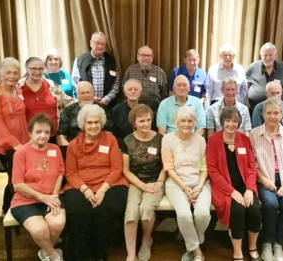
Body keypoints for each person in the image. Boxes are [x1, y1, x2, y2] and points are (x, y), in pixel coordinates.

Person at [63, 104, 128, 261]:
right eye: (89, 123)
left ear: (102, 123)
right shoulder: (73, 145)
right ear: (83, 124)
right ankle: (81, 254)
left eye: (96, 122)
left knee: (103, 211)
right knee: (79, 212)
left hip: (110, 183)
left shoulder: (110, 139)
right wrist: (85, 190)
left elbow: (116, 168)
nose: (93, 126)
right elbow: (71, 173)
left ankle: (99, 252)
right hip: (80, 185)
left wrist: (102, 190)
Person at [207, 107, 262, 261]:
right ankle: (237, 252)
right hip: (224, 188)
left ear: (239, 123)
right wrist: (232, 192)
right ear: (222, 122)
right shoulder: (213, 140)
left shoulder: (244, 139)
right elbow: (213, 171)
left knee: (254, 209)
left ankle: (252, 247)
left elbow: (251, 166)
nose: (231, 124)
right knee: (237, 210)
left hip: (245, 186)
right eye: (228, 120)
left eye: (235, 121)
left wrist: (250, 189)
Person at [249, 97, 283, 261]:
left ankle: (279, 244)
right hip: (264, 178)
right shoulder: (254, 134)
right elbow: (251, 162)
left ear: (282, 114)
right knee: (270, 204)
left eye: (276, 113)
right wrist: (263, 180)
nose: (273, 116)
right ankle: (267, 243)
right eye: (269, 113)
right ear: (263, 114)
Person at [10, 114, 65, 261]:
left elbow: (60, 173)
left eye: (47, 132)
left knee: (57, 224)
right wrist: (43, 198)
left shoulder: (55, 149)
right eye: (38, 132)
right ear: (30, 133)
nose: (43, 135)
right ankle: (53, 255)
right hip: (25, 200)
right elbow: (18, 184)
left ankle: (45, 251)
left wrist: (54, 195)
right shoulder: (21, 152)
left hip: (51, 196)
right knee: (39, 229)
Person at [161, 106, 211, 261]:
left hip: (199, 183)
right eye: (183, 120)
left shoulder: (201, 141)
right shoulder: (167, 139)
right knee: (184, 215)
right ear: (176, 121)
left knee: (202, 214)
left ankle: (191, 242)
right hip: (176, 184)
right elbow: (169, 168)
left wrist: (199, 186)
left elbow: (204, 168)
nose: (186, 124)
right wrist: (185, 188)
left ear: (194, 122)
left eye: (190, 121)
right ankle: (197, 251)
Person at [121, 104, 165, 261]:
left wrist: (159, 182)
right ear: (134, 123)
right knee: (131, 212)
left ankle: (146, 240)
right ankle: (131, 254)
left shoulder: (160, 139)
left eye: (148, 120)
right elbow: (125, 171)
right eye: (141, 121)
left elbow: (166, 166)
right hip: (135, 181)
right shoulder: (127, 141)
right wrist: (142, 185)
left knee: (146, 210)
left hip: (156, 182)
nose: (146, 124)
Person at [0, 58, 30, 214]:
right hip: (6, 143)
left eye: (15, 72)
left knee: (22, 175)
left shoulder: (19, 90)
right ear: (1, 74)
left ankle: (15, 207)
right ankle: (8, 209)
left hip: (23, 140)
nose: (12, 76)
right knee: (14, 177)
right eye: (8, 72)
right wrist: (14, 144)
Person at [17, 57, 74, 143]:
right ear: (26, 69)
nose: (37, 72)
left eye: (40, 69)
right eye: (33, 69)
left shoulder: (51, 85)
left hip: (53, 136)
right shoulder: (18, 87)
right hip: (30, 139)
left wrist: (88, 101)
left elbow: (68, 101)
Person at [71, 31, 120, 106]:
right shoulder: (80, 60)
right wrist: (90, 98)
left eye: (102, 44)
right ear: (91, 43)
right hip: (86, 105)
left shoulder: (111, 61)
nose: (100, 46)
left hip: (107, 105)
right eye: (97, 43)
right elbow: (75, 82)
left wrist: (107, 99)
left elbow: (116, 83)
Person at [57, 81, 113, 146]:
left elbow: (109, 134)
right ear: (77, 95)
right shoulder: (68, 111)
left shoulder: (104, 110)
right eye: (82, 93)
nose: (86, 96)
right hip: (74, 149)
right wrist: (71, 150)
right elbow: (61, 136)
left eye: (88, 92)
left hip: (98, 149)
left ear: (93, 93)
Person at [123, 46, 168, 113]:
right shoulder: (130, 71)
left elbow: (164, 94)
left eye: (148, 56)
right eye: (143, 55)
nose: (146, 58)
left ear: (152, 57)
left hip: (155, 111)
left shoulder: (159, 72)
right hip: (132, 111)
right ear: (138, 56)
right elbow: (123, 91)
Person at [245, 42, 283, 110]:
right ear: (261, 56)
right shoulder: (252, 68)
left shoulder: (282, 67)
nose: (267, 58)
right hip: (254, 109)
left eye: (270, 55)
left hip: (276, 109)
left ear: (275, 55)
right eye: (265, 55)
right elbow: (244, 84)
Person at [204, 44, 248, 109]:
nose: (227, 57)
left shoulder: (240, 69)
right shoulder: (213, 69)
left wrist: (242, 107)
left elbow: (244, 90)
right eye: (225, 55)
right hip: (217, 104)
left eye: (230, 55)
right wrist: (207, 109)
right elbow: (208, 92)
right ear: (220, 56)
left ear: (234, 56)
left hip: (236, 104)